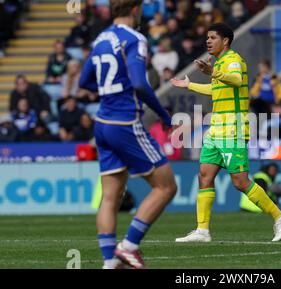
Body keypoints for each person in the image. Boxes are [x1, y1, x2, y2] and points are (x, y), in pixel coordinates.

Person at [171, 23, 281, 243]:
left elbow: (236, 80)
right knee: (205, 176)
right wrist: (190, 85)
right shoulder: (220, 63)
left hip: (233, 129)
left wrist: (213, 72)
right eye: (207, 37)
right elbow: (216, 89)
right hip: (216, 129)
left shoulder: (234, 60)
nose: (208, 41)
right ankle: (202, 230)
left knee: (239, 181)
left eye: (212, 37)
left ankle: (280, 217)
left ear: (225, 40)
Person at [79, 0, 177, 269]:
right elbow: (139, 83)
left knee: (110, 196)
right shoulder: (135, 38)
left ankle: (109, 262)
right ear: (135, 10)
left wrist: (109, 89)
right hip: (125, 122)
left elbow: (84, 82)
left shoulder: (100, 39)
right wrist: (162, 113)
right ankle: (129, 246)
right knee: (166, 186)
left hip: (102, 123)